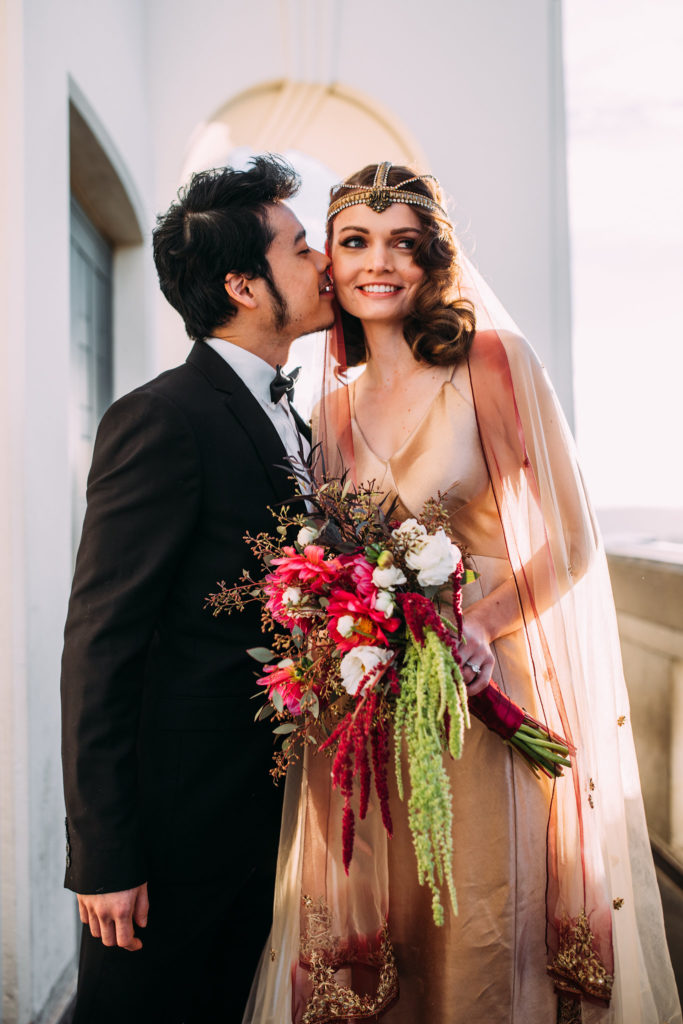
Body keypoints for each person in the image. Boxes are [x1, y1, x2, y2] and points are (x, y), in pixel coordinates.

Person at [243, 163, 681, 1024]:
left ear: (430, 258)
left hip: (479, 703)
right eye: (356, 242)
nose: (379, 263)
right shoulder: (328, 414)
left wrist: (476, 627)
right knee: (390, 926)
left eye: (403, 243)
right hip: (369, 717)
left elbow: (574, 541)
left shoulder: (491, 362)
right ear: (328, 262)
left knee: (484, 919)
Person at [60, 155, 335, 1023]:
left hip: (268, 825)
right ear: (243, 286)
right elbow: (100, 643)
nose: (324, 260)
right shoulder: (163, 417)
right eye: (301, 247)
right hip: (172, 843)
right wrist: (105, 856)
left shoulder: (294, 417)